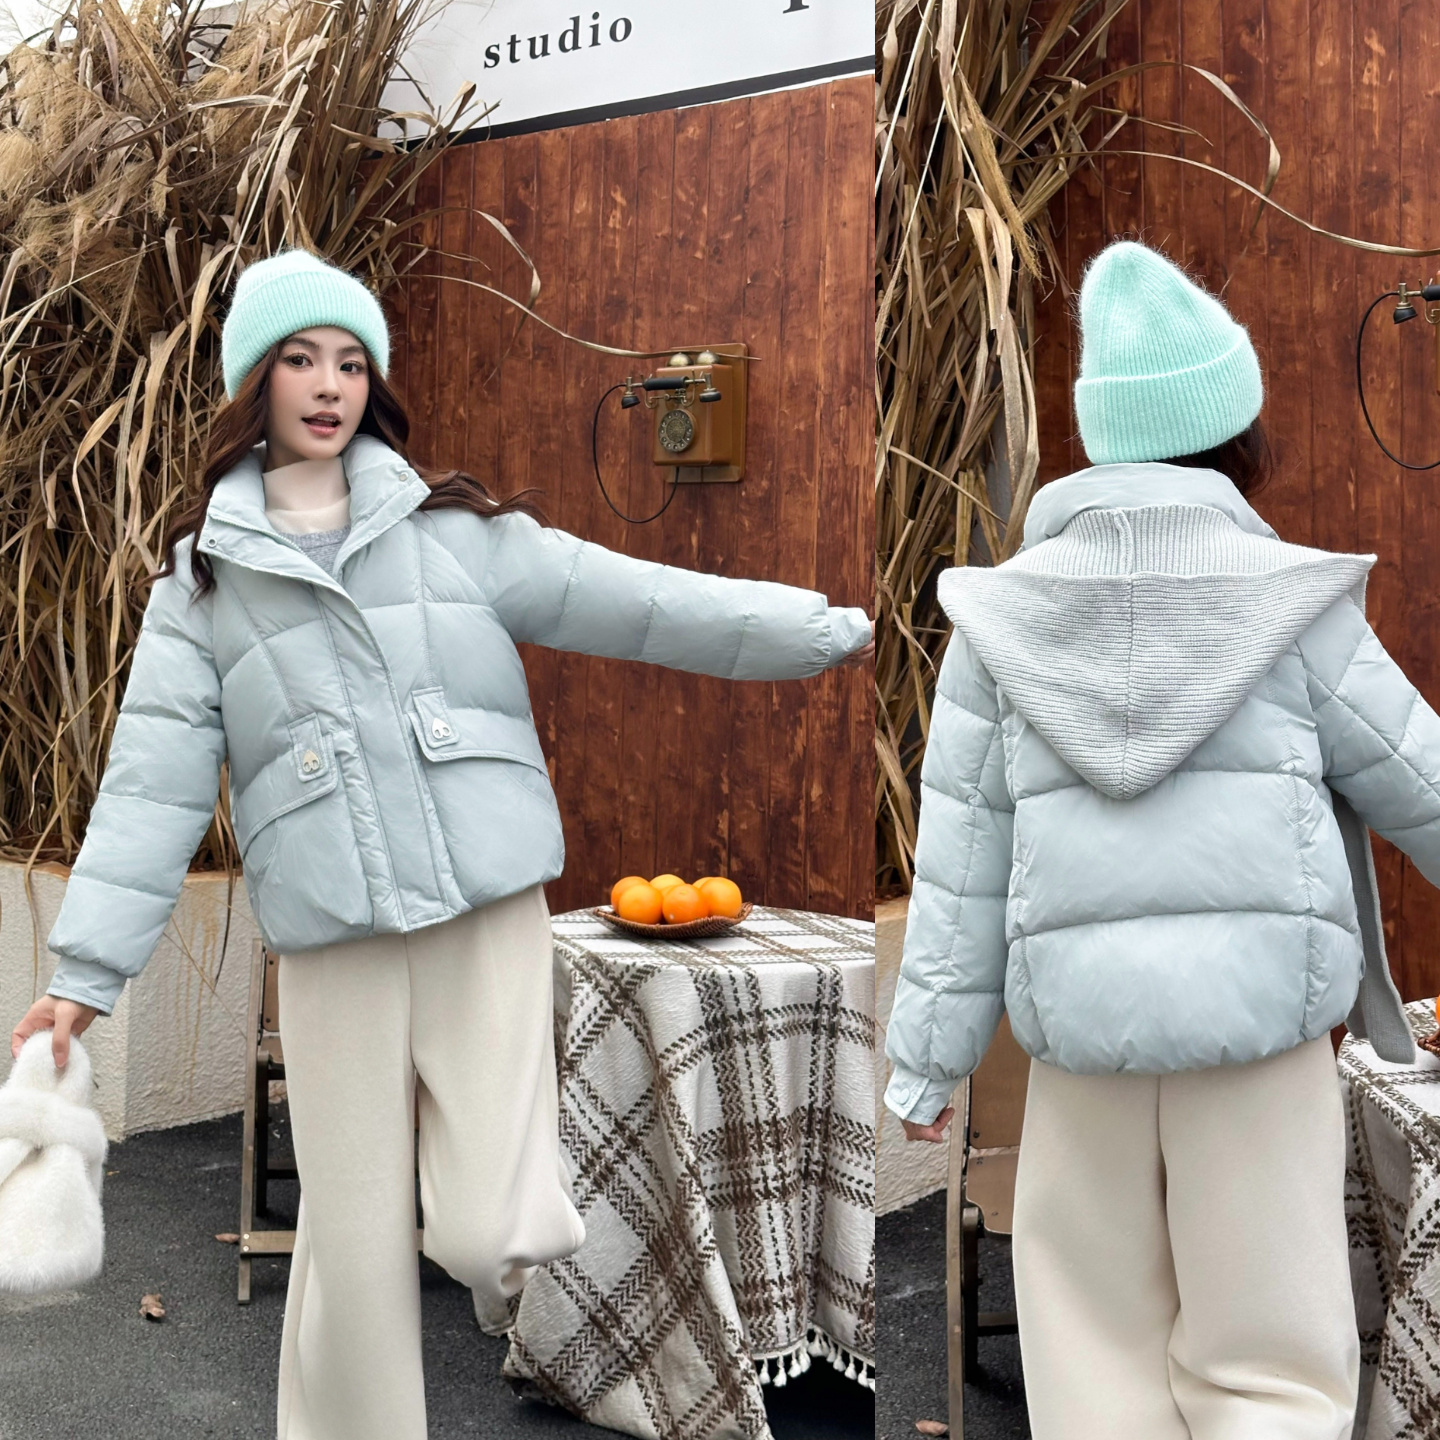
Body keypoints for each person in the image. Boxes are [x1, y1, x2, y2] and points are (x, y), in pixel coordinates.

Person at [7, 247, 873, 1440]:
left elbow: (646, 601)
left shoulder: (457, 533)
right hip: (334, 939)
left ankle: (504, 1267)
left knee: (487, 1226)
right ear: (253, 384)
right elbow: (148, 796)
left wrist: (820, 631)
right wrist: (82, 983)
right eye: (301, 360)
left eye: (351, 363)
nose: (328, 385)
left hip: (483, 909)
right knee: (352, 1231)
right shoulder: (198, 589)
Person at [883, 238, 1438, 1439]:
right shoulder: (1294, 606)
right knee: (1272, 1363)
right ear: (1233, 428)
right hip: (1259, 1039)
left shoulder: (1001, 621)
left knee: (1092, 1356)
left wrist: (928, 1059)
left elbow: (961, 858)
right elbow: (1425, 785)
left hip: (1083, 1045)